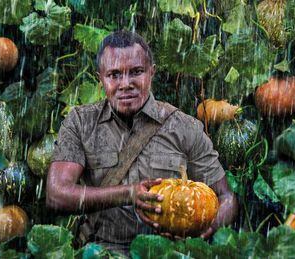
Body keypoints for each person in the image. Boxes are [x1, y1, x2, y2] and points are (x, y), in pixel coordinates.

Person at [46, 30, 237, 255]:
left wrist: (210, 227)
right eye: (114, 75)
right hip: (101, 252)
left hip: (168, 253)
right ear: (101, 78)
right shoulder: (80, 122)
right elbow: (56, 195)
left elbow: (227, 197)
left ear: (151, 73)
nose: (126, 84)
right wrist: (128, 194)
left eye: (136, 72)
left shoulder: (185, 127)